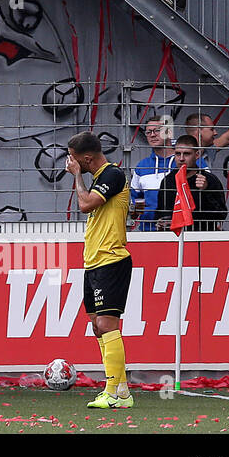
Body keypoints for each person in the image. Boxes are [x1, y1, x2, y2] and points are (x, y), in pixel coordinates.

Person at [65, 130, 134, 410]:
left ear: (87, 158)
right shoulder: (98, 180)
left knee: (107, 324)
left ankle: (112, 392)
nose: (70, 163)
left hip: (112, 260)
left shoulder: (112, 175)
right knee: (97, 327)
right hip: (93, 262)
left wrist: (76, 177)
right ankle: (122, 391)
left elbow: (85, 204)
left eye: (73, 159)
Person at [155, 135, 227, 231]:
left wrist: (206, 190)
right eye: (177, 154)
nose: (181, 158)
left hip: (202, 237)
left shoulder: (209, 179)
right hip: (174, 238)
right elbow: (161, 213)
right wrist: (161, 222)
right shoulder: (168, 181)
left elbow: (221, 215)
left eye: (186, 154)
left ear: (197, 155)